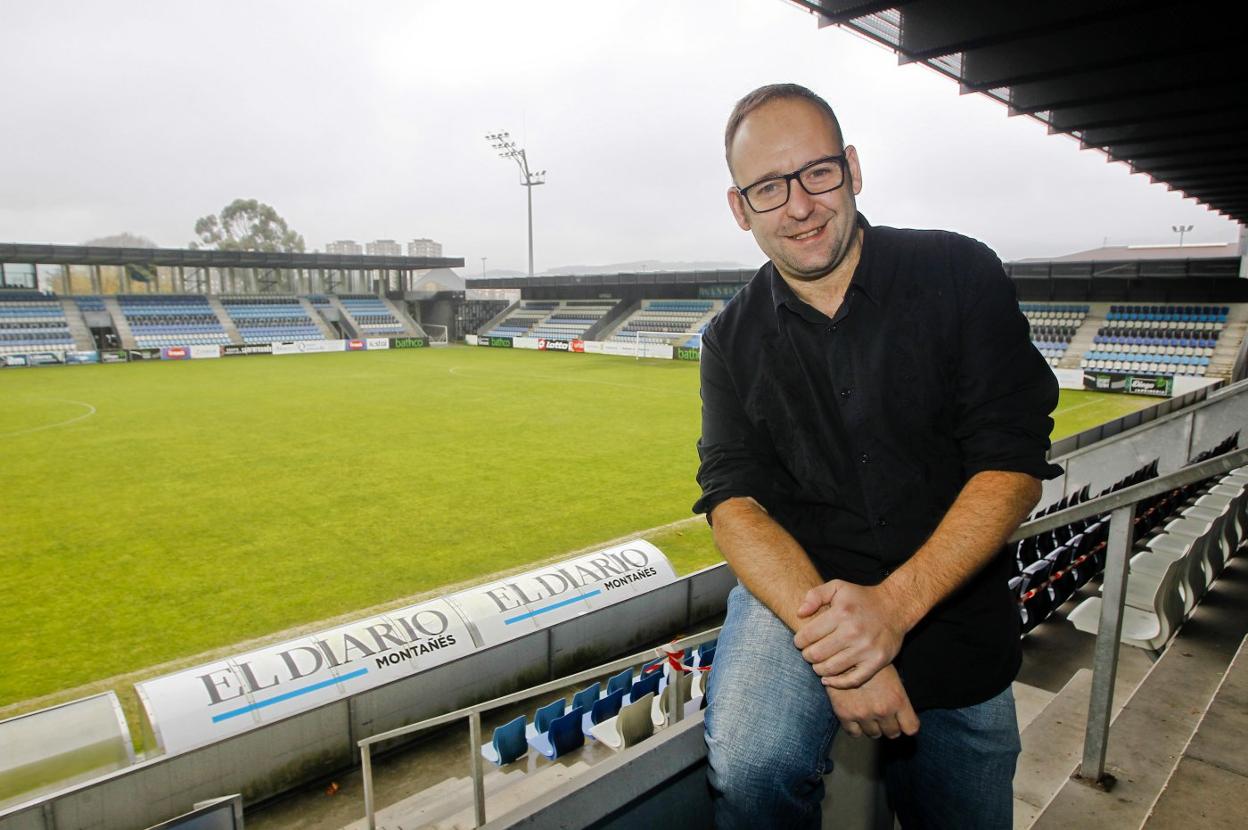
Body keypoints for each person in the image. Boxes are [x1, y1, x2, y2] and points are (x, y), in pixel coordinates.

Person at [694, 83, 1063, 829]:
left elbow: (1011, 460)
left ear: (853, 168)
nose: (798, 205)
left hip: (954, 608)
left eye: (817, 173)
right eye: (769, 187)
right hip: (804, 596)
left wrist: (890, 611)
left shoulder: (960, 274)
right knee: (750, 762)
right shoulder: (727, 341)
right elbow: (733, 503)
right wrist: (844, 652)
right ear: (741, 209)